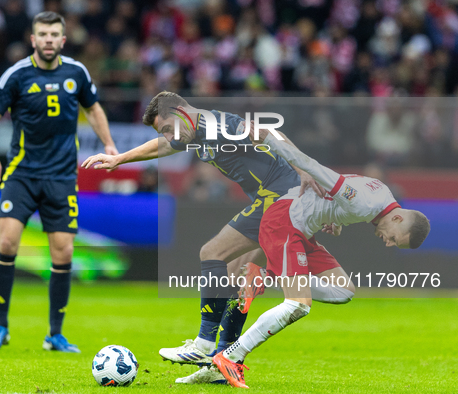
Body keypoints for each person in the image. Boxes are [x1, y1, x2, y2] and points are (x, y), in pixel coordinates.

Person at [82, 91, 332, 384]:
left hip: (281, 197)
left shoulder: (218, 125)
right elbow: (164, 146)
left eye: (166, 126)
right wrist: (120, 159)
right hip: (277, 199)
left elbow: (272, 134)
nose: (168, 135)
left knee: (212, 253)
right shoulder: (193, 130)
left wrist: (305, 171)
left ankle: (203, 344)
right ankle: (222, 366)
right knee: (239, 278)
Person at [212, 124, 431, 388]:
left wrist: (334, 217)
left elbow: (343, 193)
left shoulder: (382, 197)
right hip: (285, 221)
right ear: (397, 218)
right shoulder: (366, 202)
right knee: (298, 304)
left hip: (303, 228)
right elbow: (313, 166)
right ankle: (231, 357)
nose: (389, 243)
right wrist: (270, 138)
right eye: (395, 239)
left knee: (343, 291)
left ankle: (266, 276)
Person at [0, 11, 117, 353]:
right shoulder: (17, 74)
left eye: (55, 34)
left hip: (61, 176)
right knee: (7, 242)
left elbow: (95, 109)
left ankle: (55, 334)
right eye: (43, 34)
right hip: (22, 174)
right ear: (33, 39)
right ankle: (0, 326)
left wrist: (109, 144)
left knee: (64, 251)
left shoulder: (77, 72)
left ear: (63, 40)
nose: (49, 40)